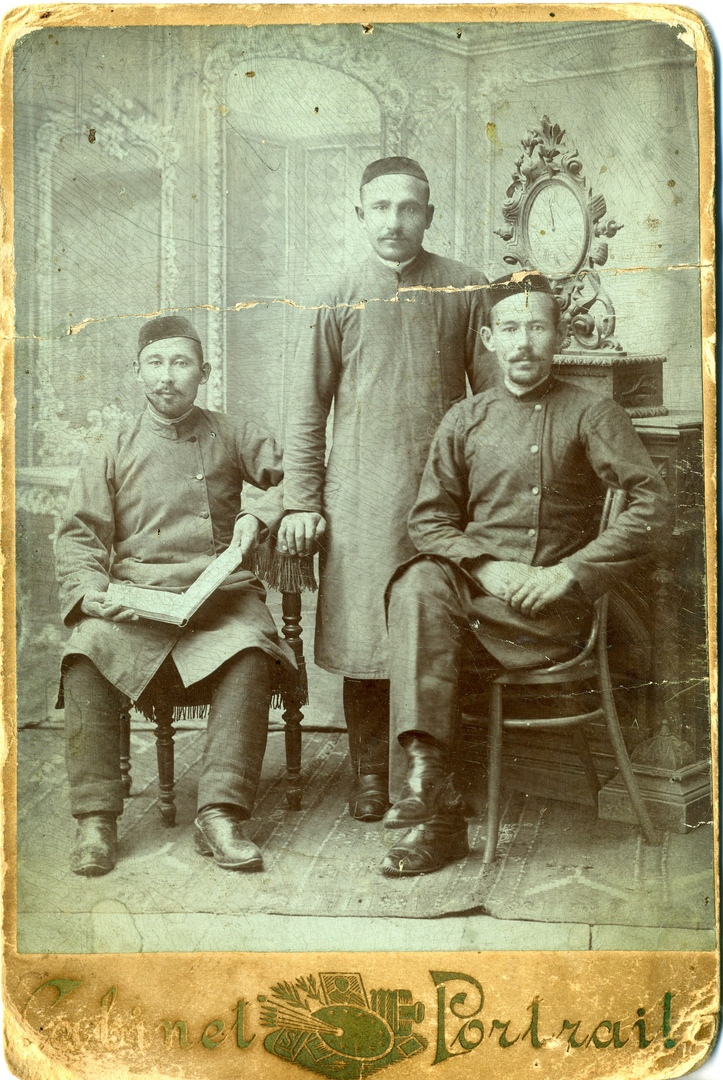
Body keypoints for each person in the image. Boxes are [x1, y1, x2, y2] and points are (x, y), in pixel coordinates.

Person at [381, 272, 672, 876]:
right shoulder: (465, 418)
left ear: (559, 335)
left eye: (537, 327)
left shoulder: (593, 412)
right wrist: (485, 568)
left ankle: (434, 812)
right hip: (479, 602)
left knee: (426, 627)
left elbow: (655, 506)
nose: (523, 342)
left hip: (553, 612)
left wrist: (570, 573)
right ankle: (428, 781)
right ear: (489, 339)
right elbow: (429, 521)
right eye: (510, 328)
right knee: (417, 582)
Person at [277, 156, 491, 823]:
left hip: (444, 497)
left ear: (429, 215)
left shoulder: (466, 287)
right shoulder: (336, 293)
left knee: (433, 630)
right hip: (359, 497)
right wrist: (302, 501)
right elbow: (306, 409)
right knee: (366, 636)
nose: (394, 220)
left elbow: (492, 404)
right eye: (380, 207)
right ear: (360, 213)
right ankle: (370, 774)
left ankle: (430, 776)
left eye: (408, 207)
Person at [55, 315, 294, 877]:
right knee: (84, 652)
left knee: (253, 650)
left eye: (181, 363)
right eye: (155, 363)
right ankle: (96, 819)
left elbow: (296, 477)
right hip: (138, 602)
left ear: (204, 372)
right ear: (137, 372)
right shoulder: (113, 444)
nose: (167, 376)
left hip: (219, 597)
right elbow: (79, 534)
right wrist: (91, 594)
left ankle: (220, 814)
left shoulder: (231, 432)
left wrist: (258, 515)